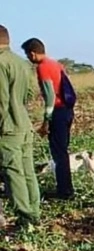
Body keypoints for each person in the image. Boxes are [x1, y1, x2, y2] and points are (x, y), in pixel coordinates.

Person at [21, 37, 76, 200]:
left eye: (27, 55)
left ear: (32, 53)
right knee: (62, 151)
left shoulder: (43, 67)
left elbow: (50, 96)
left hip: (58, 112)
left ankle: (64, 191)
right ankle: (65, 189)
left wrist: (46, 120)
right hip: (67, 111)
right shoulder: (56, 64)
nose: (28, 59)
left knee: (58, 153)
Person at [0, 25, 41, 228]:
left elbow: (1, 101)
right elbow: (30, 94)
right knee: (28, 171)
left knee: (13, 172)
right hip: (24, 124)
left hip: (7, 128)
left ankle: (25, 218)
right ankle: (34, 212)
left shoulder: (0, 63)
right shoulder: (22, 63)